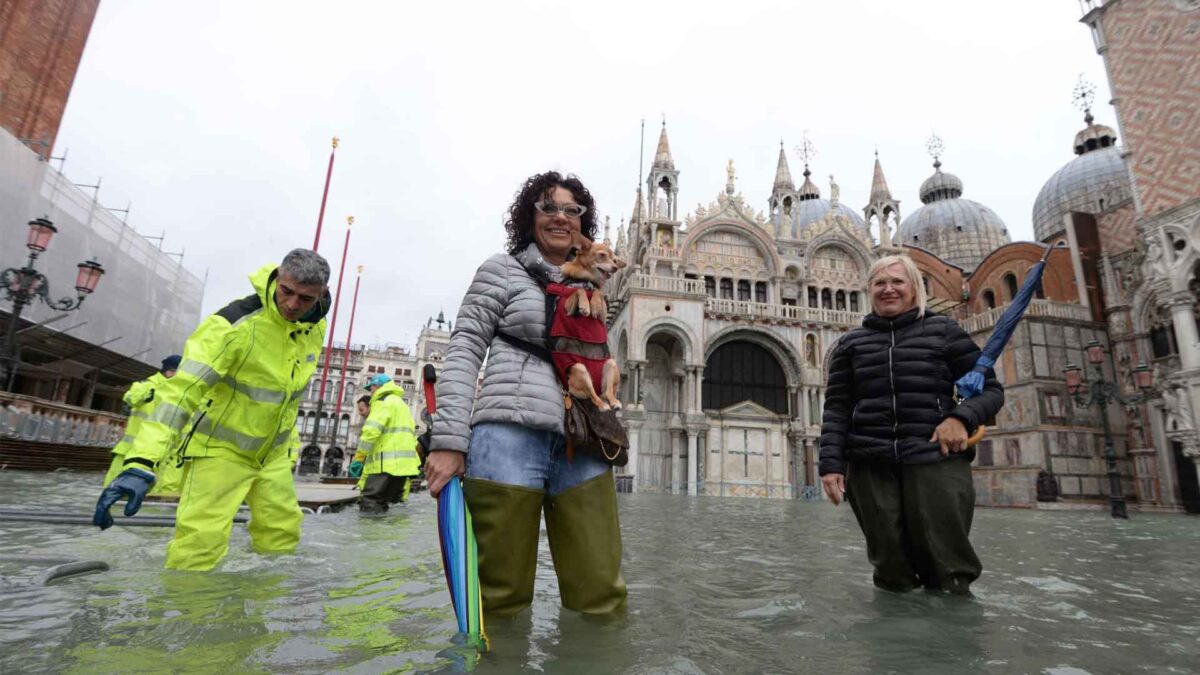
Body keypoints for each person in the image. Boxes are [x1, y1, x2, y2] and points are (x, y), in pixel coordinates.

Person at [425, 171, 627, 615]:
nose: (560, 217)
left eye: (571, 210)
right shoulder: (501, 271)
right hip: (508, 437)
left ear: (583, 224)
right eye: (548, 207)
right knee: (499, 595)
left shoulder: (595, 283)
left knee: (602, 594)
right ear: (529, 216)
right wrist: (449, 440)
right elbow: (464, 350)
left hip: (585, 439)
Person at [93, 248, 331, 571]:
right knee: (199, 546)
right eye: (286, 292)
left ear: (321, 297)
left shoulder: (314, 327)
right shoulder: (231, 326)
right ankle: (186, 616)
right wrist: (141, 461)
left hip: (271, 457)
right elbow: (180, 393)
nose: (291, 305)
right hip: (219, 451)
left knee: (282, 536)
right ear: (277, 277)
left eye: (304, 299)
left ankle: (265, 610)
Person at [819, 254, 1003, 595]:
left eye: (897, 282)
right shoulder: (851, 344)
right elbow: (837, 408)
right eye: (880, 283)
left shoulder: (944, 331)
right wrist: (830, 464)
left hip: (934, 457)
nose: (888, 289)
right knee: (890, 569)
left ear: (914, 288)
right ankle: (897, 643)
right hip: (870, 462)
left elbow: (990, 391)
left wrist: (959, 419)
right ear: (869, 290)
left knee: (948, 565)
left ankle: (954, 640)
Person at [103, 354, 181, 489]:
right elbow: (130, 397)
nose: (175, 375)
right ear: (166, 371)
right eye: (172, 371)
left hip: (161, 455)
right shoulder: (146, 385)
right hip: (130, 452)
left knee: (154, 494)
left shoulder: (181, 393)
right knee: (114, 490)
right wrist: (147, 394)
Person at [349, 374, 420, 513]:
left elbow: (371, 432)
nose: (371, 392)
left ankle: (370, 535)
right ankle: (385, 534)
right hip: (402, 468)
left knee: (370, 501)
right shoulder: (402, 405)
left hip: (385, 465)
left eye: (371, 388)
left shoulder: (382, 402)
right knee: (386, 503)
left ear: (377, 386)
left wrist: (358, 458)